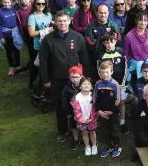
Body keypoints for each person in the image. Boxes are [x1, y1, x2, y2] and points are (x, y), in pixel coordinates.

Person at [38, 11, 90, 142]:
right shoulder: (48, 39)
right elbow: (43, 61)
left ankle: (82, 129)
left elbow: (84, 57)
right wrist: (45, 80)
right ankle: (62, 130)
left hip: (77, 80)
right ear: (55, 22)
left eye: (64, 21)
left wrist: (86, 77)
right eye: (59, 21)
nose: (62, 23)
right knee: (60, 106)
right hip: (57, 79)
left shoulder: (78, 37)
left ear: (70, 21)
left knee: (80, 105)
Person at [96, 32, 129, 133]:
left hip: (120, 83)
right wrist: (104, 82)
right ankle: (109, 121)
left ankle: (122, 122)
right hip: (107, 84)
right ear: (103, 43)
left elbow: (125, 69)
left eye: (111, 42)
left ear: (115, 41)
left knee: (121, 102)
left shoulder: (121, 52)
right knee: (110, 102)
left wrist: (122, 84)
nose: (109, 44)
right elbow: (99, 70)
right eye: (107, 42)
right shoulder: (101, 55)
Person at [124, 12, 148, 90]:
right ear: (136, 21)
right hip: (135, 70)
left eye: (145, 20)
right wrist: (126, 71)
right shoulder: (129, 36)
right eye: (140, 20)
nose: (143, 23)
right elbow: (126, 55)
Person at [93, 61, 122, 157]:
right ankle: (109, 146)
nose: (105, 74)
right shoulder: (97, 84)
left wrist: (111, 111)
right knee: (105, 130)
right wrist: (99, 111)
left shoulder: (115, 84)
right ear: (99, 72)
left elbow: (118, 100)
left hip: (113, 112)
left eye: (107, 72)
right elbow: (95, 98)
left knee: (115, 130)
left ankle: (117, 146)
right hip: (102, 113)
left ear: (112, 72)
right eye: (102, 72)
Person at [71, 77, 98, 156]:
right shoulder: (77, 97)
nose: (86, 85)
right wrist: (80, 119)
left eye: (88, 84)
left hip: (91, 120)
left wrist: (92, 118)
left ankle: (94, 146)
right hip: (81, 120)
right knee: (84, 133)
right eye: (84, 84)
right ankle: (87, 146)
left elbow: (95, 109)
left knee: (92, 132)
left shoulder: (93, 96)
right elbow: (76, 110)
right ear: (80, 86)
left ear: (91, 87)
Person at [0, 0, 22, 76]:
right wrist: (1, 36)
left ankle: (17, 65)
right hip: (6, 34)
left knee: (16, 49)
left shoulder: (14, 9)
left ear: (11, 2)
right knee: (9, 51)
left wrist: (20, 32)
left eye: (8, 2)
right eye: (5, 2)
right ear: (2, 2)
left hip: (15, 33)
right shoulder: (0, 12)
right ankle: (11, 66)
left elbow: (18, 21)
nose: (6, 4)